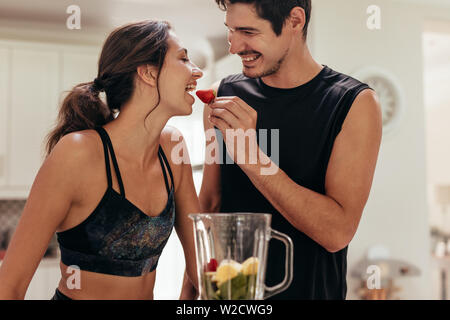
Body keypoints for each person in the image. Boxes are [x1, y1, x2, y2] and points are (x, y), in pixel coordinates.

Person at [182, 0, 383, 300]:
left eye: (248, 31)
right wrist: (187, 300)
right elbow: (210, 206)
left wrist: (252, 159)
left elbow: (336, 232)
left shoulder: (354, 104)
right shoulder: (224, 96)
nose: (235, 46)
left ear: (295, 21)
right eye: (231, 31)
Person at [0, 20, 202, 300]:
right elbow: (8, 286)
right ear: (147, 72)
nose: (197, 71)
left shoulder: (173, 147)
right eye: (183, 58)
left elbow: (203, 269)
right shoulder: (77, 153)